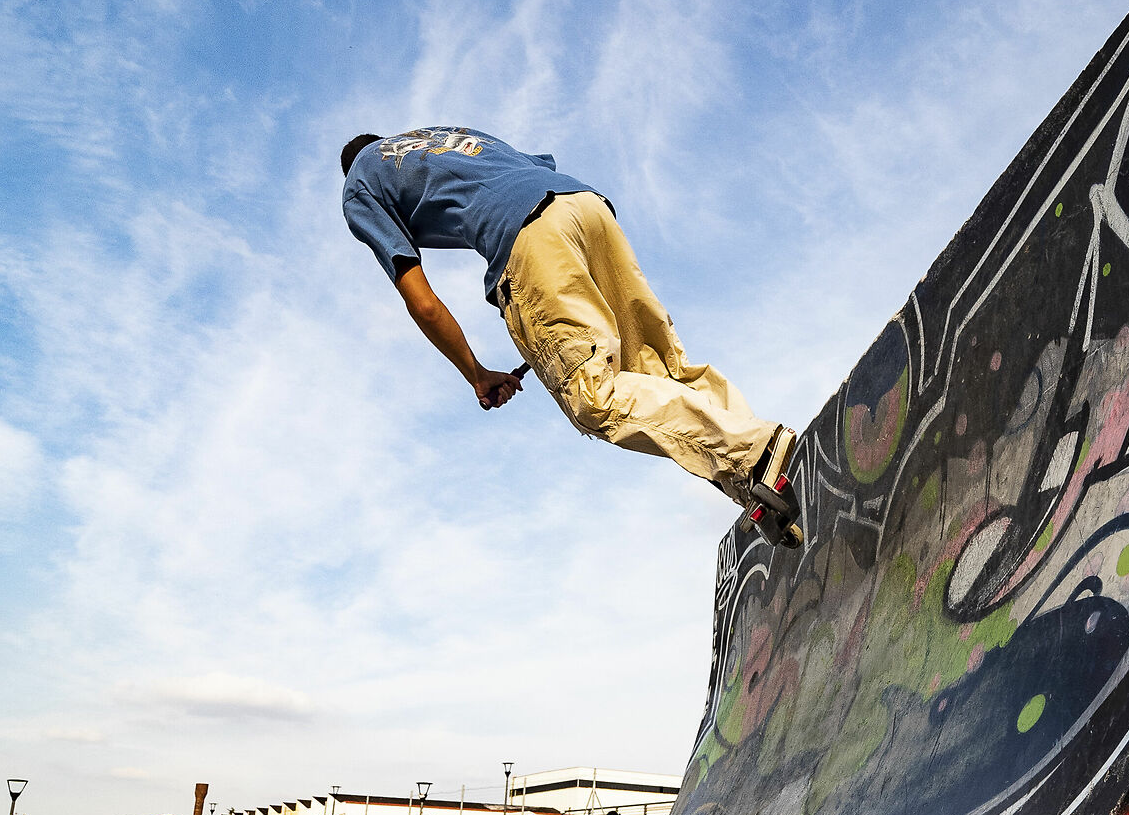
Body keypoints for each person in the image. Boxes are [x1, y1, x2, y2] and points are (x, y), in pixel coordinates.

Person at [341, 127, 802, 544]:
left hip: (529, 236)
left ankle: (754, 454)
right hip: (584, 205)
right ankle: (761, 481)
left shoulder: (360, 181)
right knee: (658, 367)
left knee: (595, 397)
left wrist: (477, 374)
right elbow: (538, 166)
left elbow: (421, 302)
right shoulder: (446, 136)